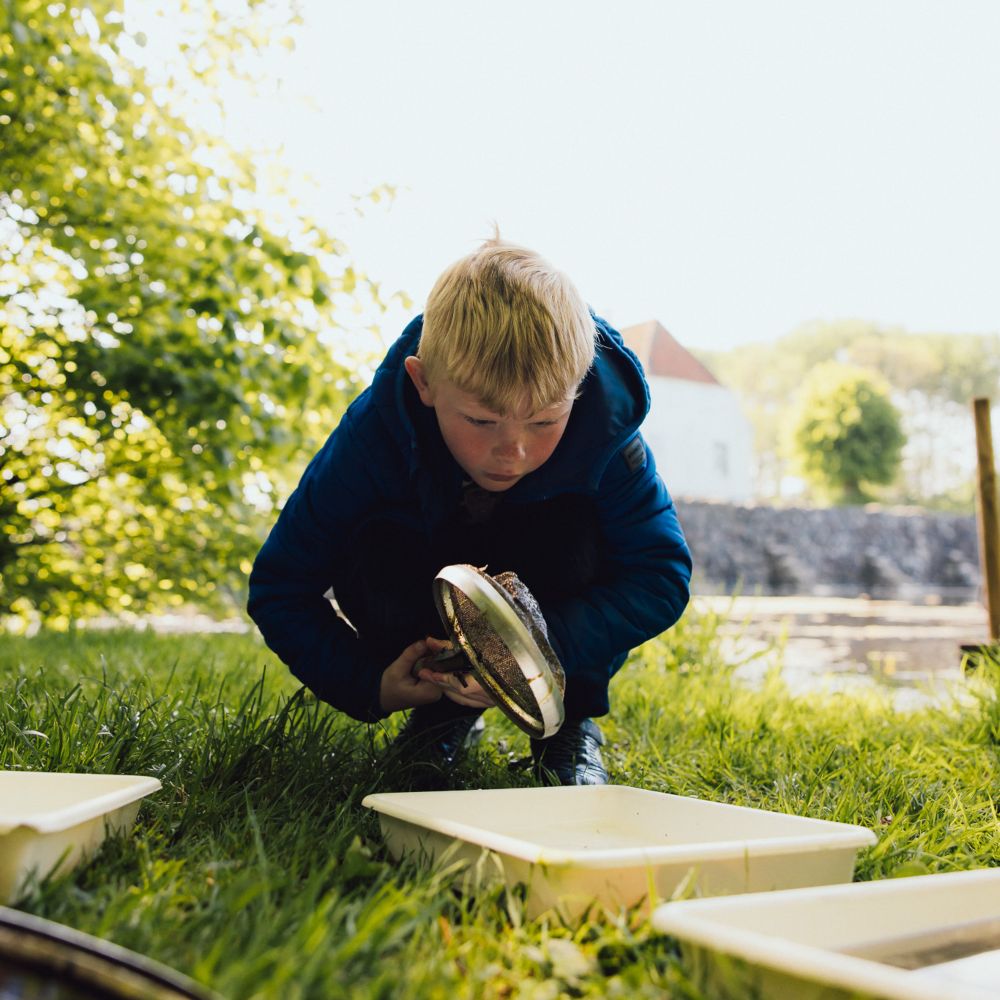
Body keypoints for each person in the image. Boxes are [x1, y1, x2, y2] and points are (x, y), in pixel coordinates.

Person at [247, 236, 692, 785]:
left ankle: (571, 727)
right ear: (424, 382)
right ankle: (441, 716)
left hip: (553, 603)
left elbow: (661, 577)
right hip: (422, 608)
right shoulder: (371, 438)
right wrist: (370, 682)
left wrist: (533, 646)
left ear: (577, 390)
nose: (515, 452)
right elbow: (279, 585)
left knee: (581, 535)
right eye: (482, 422)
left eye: (545, 421)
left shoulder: (607, 435)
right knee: (375, 544)